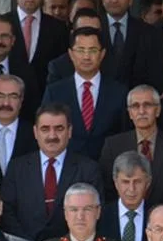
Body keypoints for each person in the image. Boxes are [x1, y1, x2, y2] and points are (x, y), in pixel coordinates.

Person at [0, 103, 104, 241]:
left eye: (59, 129)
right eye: (45, 129)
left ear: (70, 131)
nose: (52, 135)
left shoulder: (88, 169)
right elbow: (7, 211)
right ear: (36, 132)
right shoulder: (17, 167)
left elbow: (94, 212)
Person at [99, 85, 163, 215]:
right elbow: (107, 189)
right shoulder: (113, 146)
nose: (142, 111)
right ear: (130, 113)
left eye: (147, 105)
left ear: (158, 110)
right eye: (135, 106)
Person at [42, 27, 128, 160]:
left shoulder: (119, 92)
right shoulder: (55, 92)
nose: (87, 56)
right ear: (71, 54)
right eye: (80, 50)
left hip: (107, 167)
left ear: (102, 54)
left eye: (93, 50)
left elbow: (124, 134)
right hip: (67, 168)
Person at [4, 0, 70, 102]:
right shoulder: (3, 23)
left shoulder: (58, 27)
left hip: (46, 100)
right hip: (10, 100)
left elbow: (64, 66)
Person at [99, 151, 153, 241]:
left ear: (148, 183)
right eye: (125, 182)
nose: (131, 189)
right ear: (115, 183)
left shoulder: (157, 216)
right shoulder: (100, 216)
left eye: (137, 182)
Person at [102, 0, 150, 85]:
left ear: (130, 0)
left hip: (136, 98)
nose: (114, 0)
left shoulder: (146, 31)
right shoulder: (94, 28)